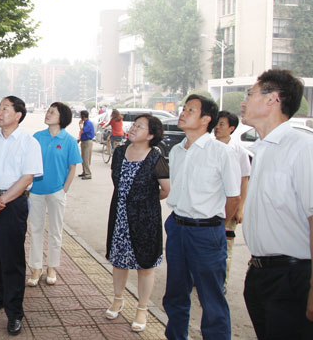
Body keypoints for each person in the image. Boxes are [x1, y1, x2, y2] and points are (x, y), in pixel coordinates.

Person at [240, 69, 313, 339]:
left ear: (273, 99)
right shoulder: (262, 149)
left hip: (292, 277)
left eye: (250, 94)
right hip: (260, 274)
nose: (243, 102)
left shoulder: (302, 147)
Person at [162, 94, 240, 340]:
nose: (182, 113)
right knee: (175, 294)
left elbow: (233, 198)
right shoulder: (177, 151)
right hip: (177, 227)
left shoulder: (221, 152)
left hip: (206, 231)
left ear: (206, 119)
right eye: (184, 108)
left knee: (211, 297)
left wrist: (215, 226)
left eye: (190, 110)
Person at [0, 96, 43, 336]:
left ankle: (14, 312)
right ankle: (0, 296)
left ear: (18, 115)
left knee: (12, 257)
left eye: (5, 108)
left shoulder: (29, 143)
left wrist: (0, 201)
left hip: (12, 204)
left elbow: (27, 178)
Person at [105, 114, 170, 332]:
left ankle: (142, 309)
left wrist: (145, 201)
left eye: (139, 126)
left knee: (145, 265)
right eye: (134, 124)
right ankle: (117, 299)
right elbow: (117, 181)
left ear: (150, 135)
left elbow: (166, 190)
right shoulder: (120, 152)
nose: (133, 128)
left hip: (146, 219)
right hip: (120, 216)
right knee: (119, 261)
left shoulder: (155, 157)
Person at [27, 102, 83, 287]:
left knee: (55, 232)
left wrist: (63, 190)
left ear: (62, 118)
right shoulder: (37, 137)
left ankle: (52, 267)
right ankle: (36, 268)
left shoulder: (69, 141)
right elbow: (28, 164)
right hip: (36, 191)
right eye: (48, 111)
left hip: (57, 192)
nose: (48, 114)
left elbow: (72, 168)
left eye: (52, 112)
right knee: (35, 230)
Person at [213, 110, 251, 293]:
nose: (217, 127)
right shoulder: (209, 148)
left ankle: (222, 282)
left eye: (221, 124)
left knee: (225, 247)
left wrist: (240, 208)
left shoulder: (239, 151)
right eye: (216, 123)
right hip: (210, 207)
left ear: (232, 128)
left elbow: (244, 180)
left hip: (229, 206)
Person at [77, 110, 95, 180]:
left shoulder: (88, 123)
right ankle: (84, 171)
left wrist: (80, 124)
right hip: (84, 141)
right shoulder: (86, 123)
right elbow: (84, 133)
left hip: (87, 142)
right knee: (83, 158)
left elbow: (83, 130)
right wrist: (80, 139)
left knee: (86, 158)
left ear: (83, 116)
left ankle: (88, 173)